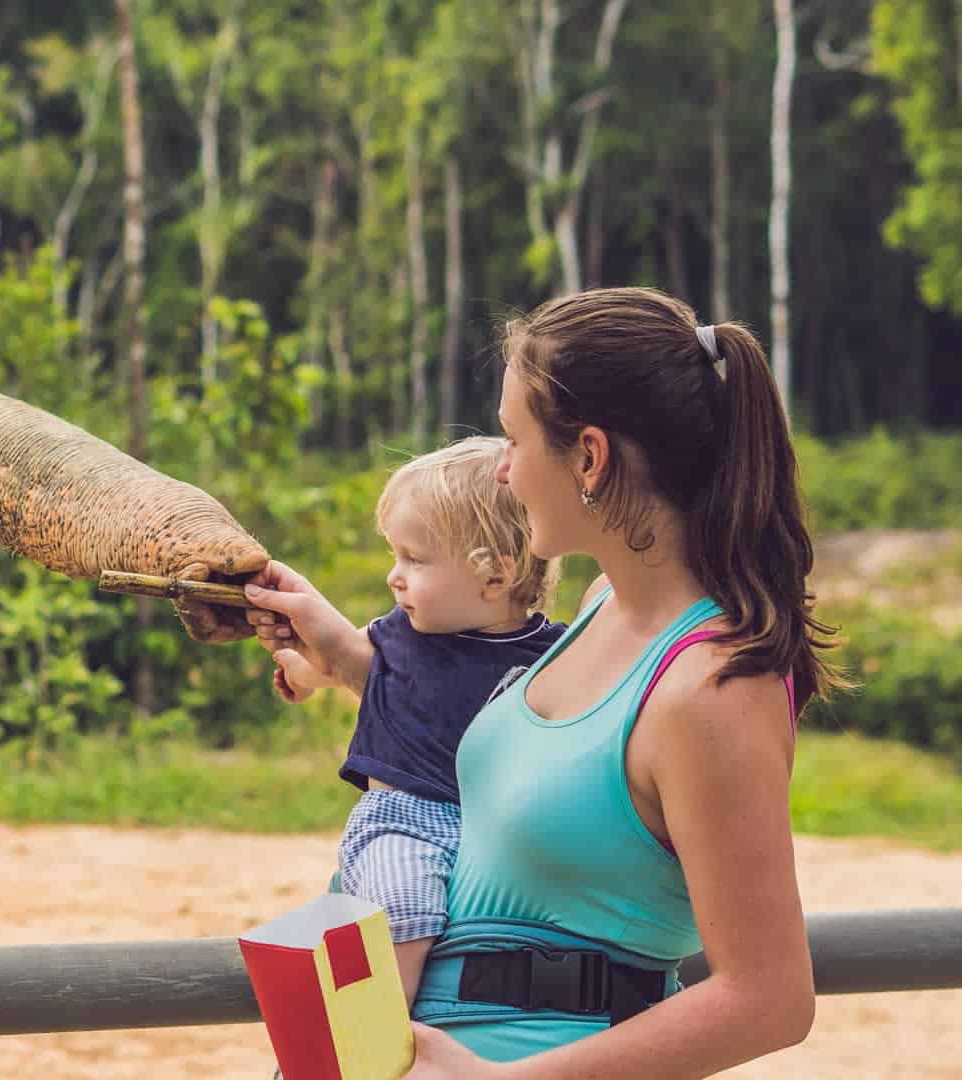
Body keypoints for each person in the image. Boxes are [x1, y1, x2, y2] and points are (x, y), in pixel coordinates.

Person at [252, 286, 843, 1078]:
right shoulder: (601, 609)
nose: (503, 471)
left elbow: (768, 999)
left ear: (589, 457)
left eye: (513, 439)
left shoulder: (713, 688)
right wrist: (339, 654)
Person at [245, 435, 567, 1007]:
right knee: (404, 908)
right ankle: (384, 1030)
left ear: (494, 577)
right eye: (397, 557)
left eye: (415, 560)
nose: (395, 577)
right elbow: (334, 660)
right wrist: (299, 671)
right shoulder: (400, 634)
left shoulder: (556, 654)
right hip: (405, 823)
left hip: (495, 831)